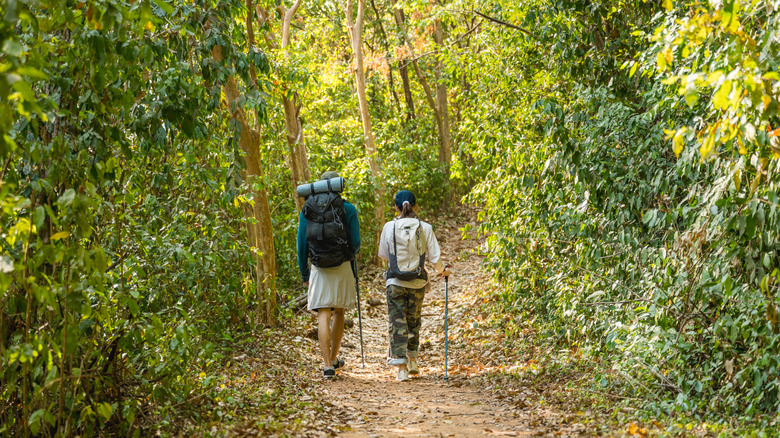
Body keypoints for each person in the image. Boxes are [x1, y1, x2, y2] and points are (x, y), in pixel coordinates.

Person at [378, 190, 450, 381]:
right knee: (413, 320)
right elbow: (435, 259)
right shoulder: (425, 227)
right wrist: (444, 271)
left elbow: (384, 255)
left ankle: (401, 368)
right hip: (418, 282)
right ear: (415, 206)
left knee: (397, 322)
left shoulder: (389, 227)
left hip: (394, 281)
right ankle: (413, 360)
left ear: (396, 207)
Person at [297, 171, 361, 379]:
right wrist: (348, 257)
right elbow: (356, 243)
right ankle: (334, 357)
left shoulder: (307, 209)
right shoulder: (347, 208)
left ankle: (327, 366)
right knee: (339, 312)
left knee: (323, 313)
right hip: (341, 265)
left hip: (318, 266)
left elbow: (301, 244)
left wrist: (305, 272)